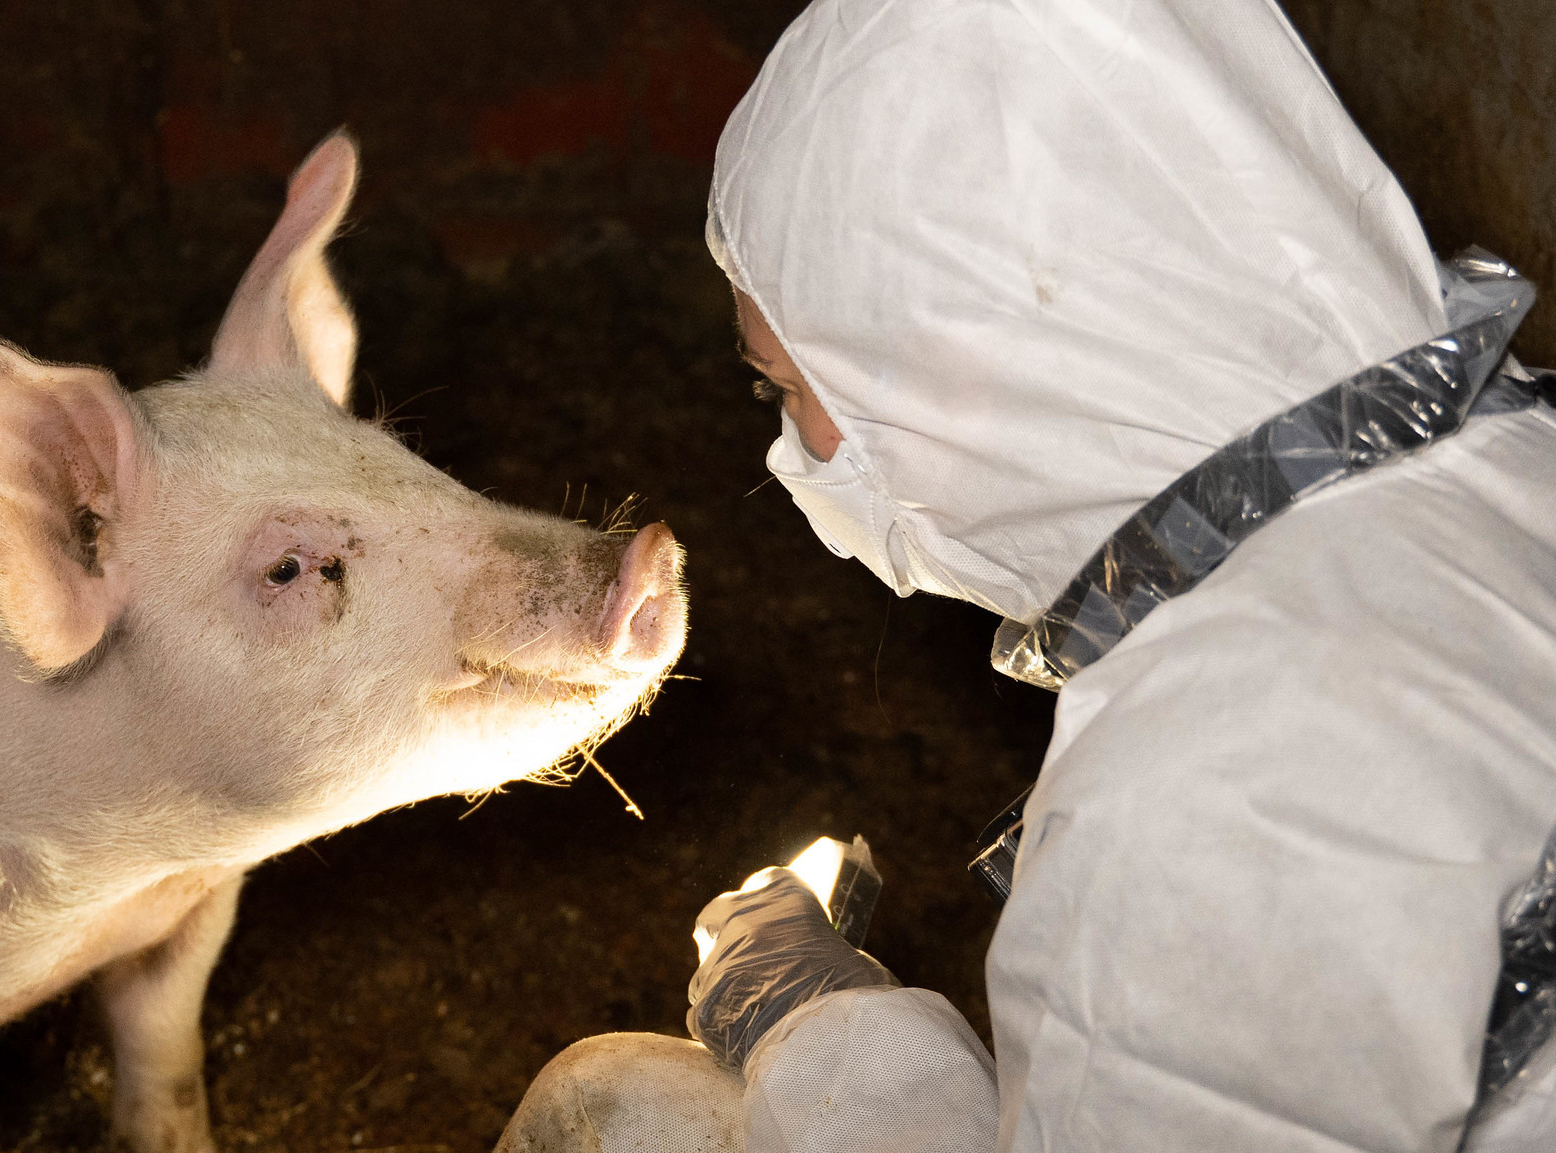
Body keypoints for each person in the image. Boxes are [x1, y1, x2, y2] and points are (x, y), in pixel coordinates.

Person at [494, 0, 1556, 1150]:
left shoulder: (1207, 789)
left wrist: (824, 1034)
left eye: (784, 389)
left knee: (603, 1107)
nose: (789, 453)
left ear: (963, 365)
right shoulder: (1508, 457)